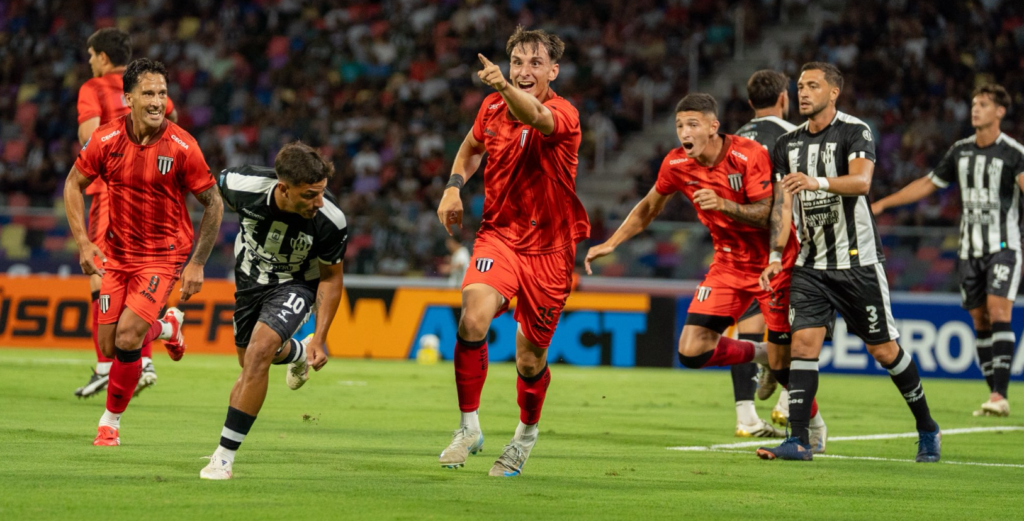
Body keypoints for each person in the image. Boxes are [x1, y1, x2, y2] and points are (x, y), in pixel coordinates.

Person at [585, 92, 826, 450]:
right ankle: (761, 353)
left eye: (693, 124)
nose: (684, 131)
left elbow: (770, 211)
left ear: (713, 127)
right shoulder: (676, 163)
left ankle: (813, 424)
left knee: (783, 365)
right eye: (680, 125)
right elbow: (650, 206)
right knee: (692, 350)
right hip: (728, 264)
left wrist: (725, 205)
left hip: (773, 264)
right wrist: (613, 242)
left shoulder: (749, 155)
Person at [756, 62, 940, 462]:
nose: (803, 92)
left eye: (813, 86)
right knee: (803, 344)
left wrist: (816, 181)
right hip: (811, 263)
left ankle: (927, 426)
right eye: (800, 86)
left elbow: (862, 183)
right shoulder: (787, 145)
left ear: (834, 92)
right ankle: (799, 440)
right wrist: (774, 255)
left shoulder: (856, 131)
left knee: (885, 351)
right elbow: (783, 207)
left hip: (858, 263)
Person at [435, 26, 589, 477]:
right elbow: (469, 148)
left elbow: (536, 118)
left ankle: (524, 436)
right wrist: (453, 187)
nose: (524, 71)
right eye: (517, 63)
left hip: (550, 251)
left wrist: (502, 85)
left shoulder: (565, 114)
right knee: (473, 317)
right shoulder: (490, 108)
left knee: (529, 358)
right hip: (499, 235)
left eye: (535, 64)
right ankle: (468, 428)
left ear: (553, 71)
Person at [65, 58, 223, 446]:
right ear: (128, 98)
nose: (157, 102)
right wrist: (84, 242)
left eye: (162, 94)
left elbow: (214, 203)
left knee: (129, 336)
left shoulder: (184, 147)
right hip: (117, 256)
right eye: (148, 93)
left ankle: (110, 424)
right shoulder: (105, 140)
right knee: (108, 345)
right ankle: (168, 327)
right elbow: (73, 184)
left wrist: (197, 263)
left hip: (163, 255)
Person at [872, 84, 1024, 418]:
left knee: (1000, 311)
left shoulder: (1013, 153)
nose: (975, 109)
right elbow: (928, 184)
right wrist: (885, 203)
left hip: (1003, 246)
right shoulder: (960, 150)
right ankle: (993, 393)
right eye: (973, 104)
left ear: (1000, 111)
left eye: (983, 104)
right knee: (980, 319)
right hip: (969, 250)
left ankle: (999, 394)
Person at [199, 142, 347, 480]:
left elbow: (331, 279)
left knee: (258, 353)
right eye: (310, 194)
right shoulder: (239, 184)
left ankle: (223, 456)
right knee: (247, 358)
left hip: (297, 283)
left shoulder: (330, 219)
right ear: (283, 187)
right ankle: (295, 351)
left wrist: (321, 339)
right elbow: (204, 193)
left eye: (322, 192)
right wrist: (196, 260)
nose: (319, 201)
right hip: (249, 279)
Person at [73, 27, 179, 399]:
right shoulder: (150, 88)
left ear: (102, 56)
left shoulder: (95, 88)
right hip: (151, 194)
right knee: (138, 272)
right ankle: (142, 359)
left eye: (90, 56)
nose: (89, 63)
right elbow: (172, 124)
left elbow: (90, 138)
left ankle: (112, 365)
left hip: (109, 193)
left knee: (101, 275)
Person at [731, 69, 801, 434]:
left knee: (747, 331)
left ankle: (745, 418)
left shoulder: (733, 140)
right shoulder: (793, 136)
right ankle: (788, 402)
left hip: (740, 247)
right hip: (781, 244)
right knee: (792, 324)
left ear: (750, 103)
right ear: (784, 98)